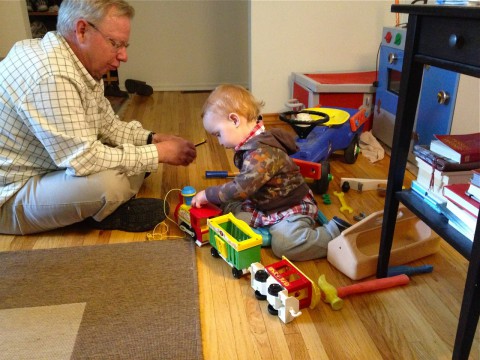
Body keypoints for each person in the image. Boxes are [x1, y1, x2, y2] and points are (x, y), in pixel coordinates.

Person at [0, 0, 196, 235]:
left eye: (125, 45)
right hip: (11, 195)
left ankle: (96, 208)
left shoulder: (77, 63)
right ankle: (99, 212)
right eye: (115, 44)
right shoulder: (51, 77)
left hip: (50, 165)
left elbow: (106, 125)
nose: (123, 55)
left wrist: (151, 140)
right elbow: (84, 159)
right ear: (82, 30)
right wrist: (160, 153)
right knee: (110, 185)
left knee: (132, 158)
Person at [190, 84, 351, 261]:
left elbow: (241, 188)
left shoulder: (262, 153)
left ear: (235, 120)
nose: (219, 142)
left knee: (284, 246)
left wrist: (209, 194)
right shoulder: (251, 145)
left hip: (290, 207)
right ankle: (261, 223)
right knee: (233, 215)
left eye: (218, 134)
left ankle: (334, 233)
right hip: (265, 203)